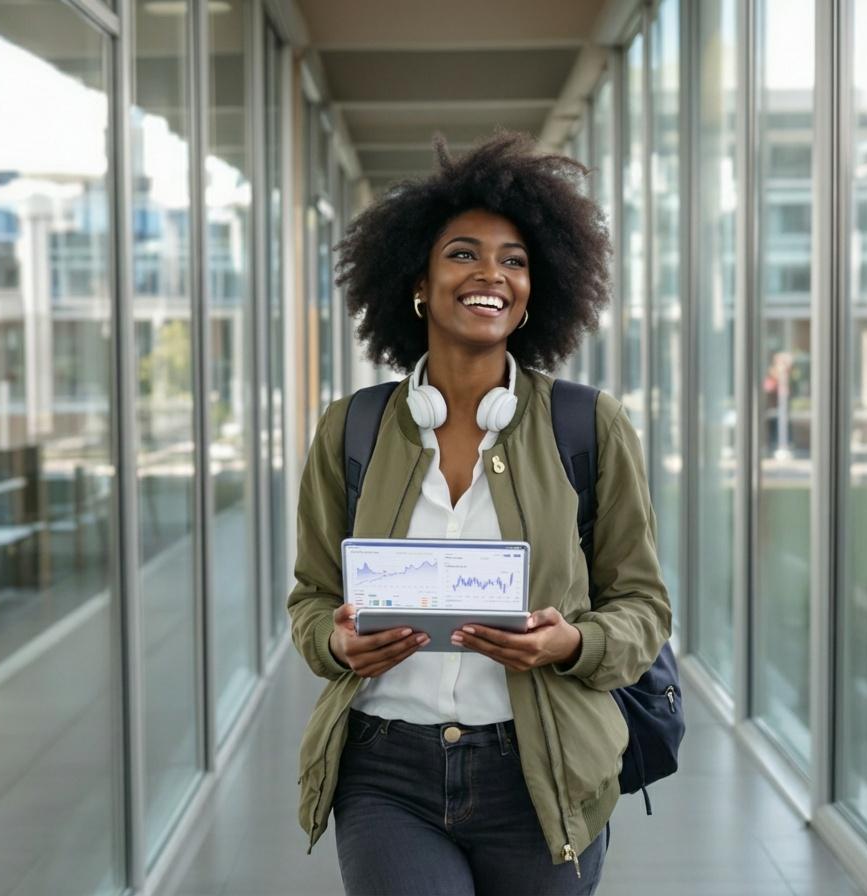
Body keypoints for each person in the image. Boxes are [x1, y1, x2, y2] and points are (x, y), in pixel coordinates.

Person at [287, 132, 672, 896]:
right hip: (386, 771)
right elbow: (312, 598)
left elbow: (644, 606)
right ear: (419, 282)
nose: (492, 273)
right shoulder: (352, 428)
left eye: (514, 261)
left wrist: (572, 643)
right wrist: (335, 641)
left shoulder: (587, 426)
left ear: (534, 290)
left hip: (543, 769)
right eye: (463, 253)